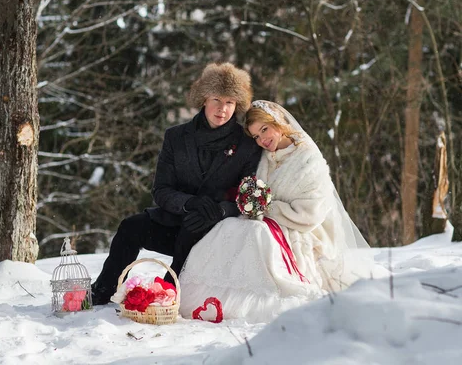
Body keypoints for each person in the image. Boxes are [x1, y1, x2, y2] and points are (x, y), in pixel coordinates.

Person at [178, 100, 377, 323]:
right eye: (255, 136)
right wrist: (251, 202)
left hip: (301, 230)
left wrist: (266, 206)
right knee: (228, 227)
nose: (262, 140)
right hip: (264, 221)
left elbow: (309, 214)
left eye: (264, 129)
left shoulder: (309, 159)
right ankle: (207, 293)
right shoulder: (264, 156)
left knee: (256, 234)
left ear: (278, 122)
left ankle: (252, 301)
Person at [90, 63, 263, 305]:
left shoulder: (246, 145)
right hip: (174, 221)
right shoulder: (176, 137)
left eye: (230, 102)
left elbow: (249, 196)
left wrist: (220, 210)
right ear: (204, 99)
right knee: (130, 227)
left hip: (214, 233)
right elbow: (160, 190)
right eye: (216, 99)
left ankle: (165, 294)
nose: (222, 109)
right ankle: (102, 291)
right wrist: (190, 203)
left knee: (194, 228)